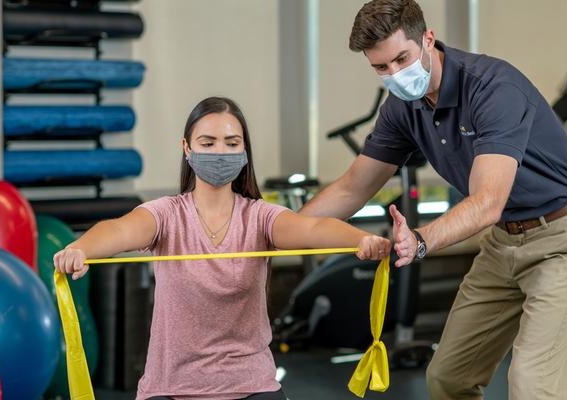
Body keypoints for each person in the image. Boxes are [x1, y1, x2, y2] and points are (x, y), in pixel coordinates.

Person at [299, 1, 567, 399]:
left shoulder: (493, 88)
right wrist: (277, 231)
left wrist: (421, 238)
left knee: (533, 381)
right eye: (381, 68)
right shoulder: (402, 108)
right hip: (503, 242)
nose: (394, 74)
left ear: (427, 39)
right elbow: (352, 188)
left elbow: (486, 202)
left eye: (401, 59)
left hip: (565, 238)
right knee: (448, 377)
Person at [53, 97, 391, 400]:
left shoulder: (259, 217)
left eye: (232, 143)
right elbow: (119, 229)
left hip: (251, 384)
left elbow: (312, 227)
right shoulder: (167, 214)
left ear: (244, 152)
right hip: (170, 387)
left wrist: (359, 240)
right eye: (208, 142)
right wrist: (82, 248)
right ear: (187, 147)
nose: (220, 152)